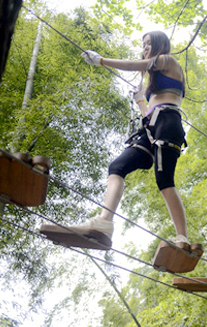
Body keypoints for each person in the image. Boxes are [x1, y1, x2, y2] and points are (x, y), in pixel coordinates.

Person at [75, 30, 189, 246]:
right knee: (117, 166)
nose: (144, 48)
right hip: (150, 126)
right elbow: (148, 112)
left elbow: (134, 65)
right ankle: (104, 222)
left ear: (159, 45)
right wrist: (140, 100)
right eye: (143, 45)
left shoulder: (168, 61)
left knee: (164, 181)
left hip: (168, 123)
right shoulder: (152, 79)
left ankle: (182, 237)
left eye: (148, 44)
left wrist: (101, 60)